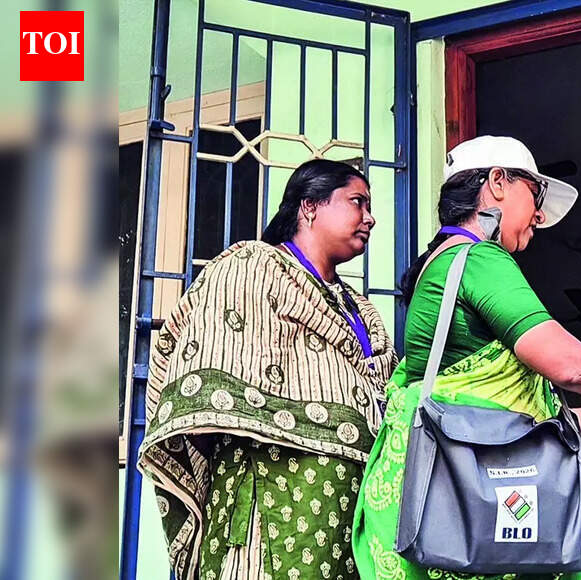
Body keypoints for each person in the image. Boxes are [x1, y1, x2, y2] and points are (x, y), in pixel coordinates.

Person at [353, 136, 581, 579]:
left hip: (442, 521)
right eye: (536, 194)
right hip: (465, 526)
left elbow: (498, 427)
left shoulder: (440, 263)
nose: (540, 215)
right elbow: (574, 366)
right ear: (497, 184)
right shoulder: (478, 259)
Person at [138, 159, 399, 580]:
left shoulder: (358, 306)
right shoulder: (253, 267)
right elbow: (210, 361)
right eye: (357, 202)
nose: (370, 218)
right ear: (309, 207)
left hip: (349, 505)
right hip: (270, 495)